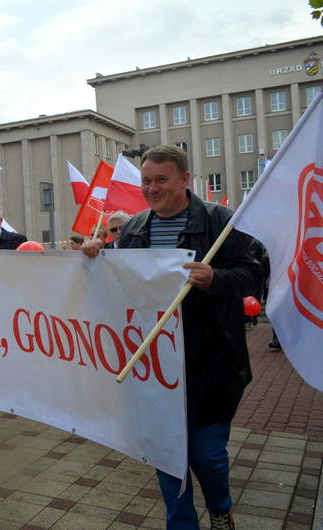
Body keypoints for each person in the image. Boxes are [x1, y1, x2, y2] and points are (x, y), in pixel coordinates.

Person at [81, 145, 260, 530]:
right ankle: (181, 523)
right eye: (147, 180)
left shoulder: (220, 221)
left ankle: (220, 509)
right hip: (154, 363)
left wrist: (216, 279)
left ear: (184, 179)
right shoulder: (133, 228)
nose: (152, 188)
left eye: (161, 180)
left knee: (206, 455)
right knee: (166, 454)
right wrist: (97, 256)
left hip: (211, 363)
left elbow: (256, 272)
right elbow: (120, 284)